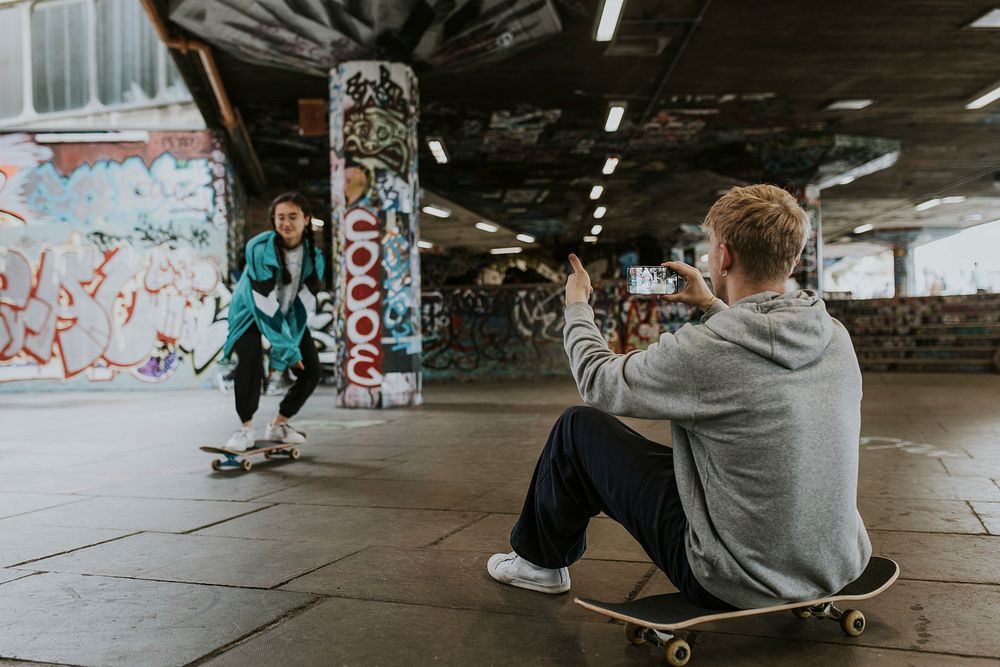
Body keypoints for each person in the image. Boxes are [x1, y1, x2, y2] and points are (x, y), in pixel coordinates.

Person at [487, 184, 871, 610]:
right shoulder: (835, 336)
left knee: (578, 429)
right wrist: (709, 303)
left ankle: (537, 564)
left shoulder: (703, 352)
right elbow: (756, 354)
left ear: (723, 257)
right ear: (794, 258)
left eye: (710, 248)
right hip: (836, 562)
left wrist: (577, 307)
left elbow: (598, 379)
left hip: (733, 577)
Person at [221, 192, 325, 451]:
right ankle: (245, 428)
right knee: (250, 361)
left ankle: (279, 424)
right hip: (250, 314)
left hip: (287, 316)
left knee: (311, 370)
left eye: (293, 217)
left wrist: (285, 355)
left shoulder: (315, 257)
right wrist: (285, 350)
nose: (286, 223)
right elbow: (264, 303)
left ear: (306, 219)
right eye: (280, 217)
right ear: (273, 220)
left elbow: (303, 307)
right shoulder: (259, 248)